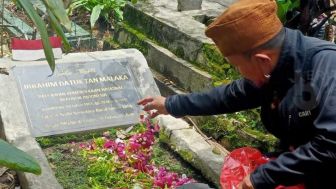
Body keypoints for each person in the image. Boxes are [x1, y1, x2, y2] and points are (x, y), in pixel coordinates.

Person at [137, 0, 336, 188]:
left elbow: (329, 146)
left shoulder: (326, 69)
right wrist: (171, 105)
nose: (239, 72)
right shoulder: (277, 67)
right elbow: (229, 96)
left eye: (237, 66)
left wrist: (264, 177)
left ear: (262, 60)